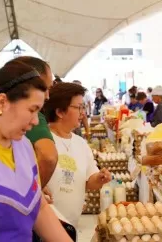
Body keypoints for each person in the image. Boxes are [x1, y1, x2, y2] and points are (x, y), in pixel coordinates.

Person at [0, 62, 71, 241]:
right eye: (32, 109)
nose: (36, 121)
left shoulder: (24, 147)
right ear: (2, 102)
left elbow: (40, 207)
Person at [0, 56, 57, 188]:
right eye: (46, 87)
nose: (47, 95)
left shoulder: (23, 146)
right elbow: (48, 156)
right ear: (2, 102)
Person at [43, 82, 111, 230]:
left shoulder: (80, 143)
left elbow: (90, 181)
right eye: (78, 107)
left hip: (71, 224)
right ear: (60, 112)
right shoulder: (43, 141)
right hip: (45, 226)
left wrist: (99, 178)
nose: (83, 113)